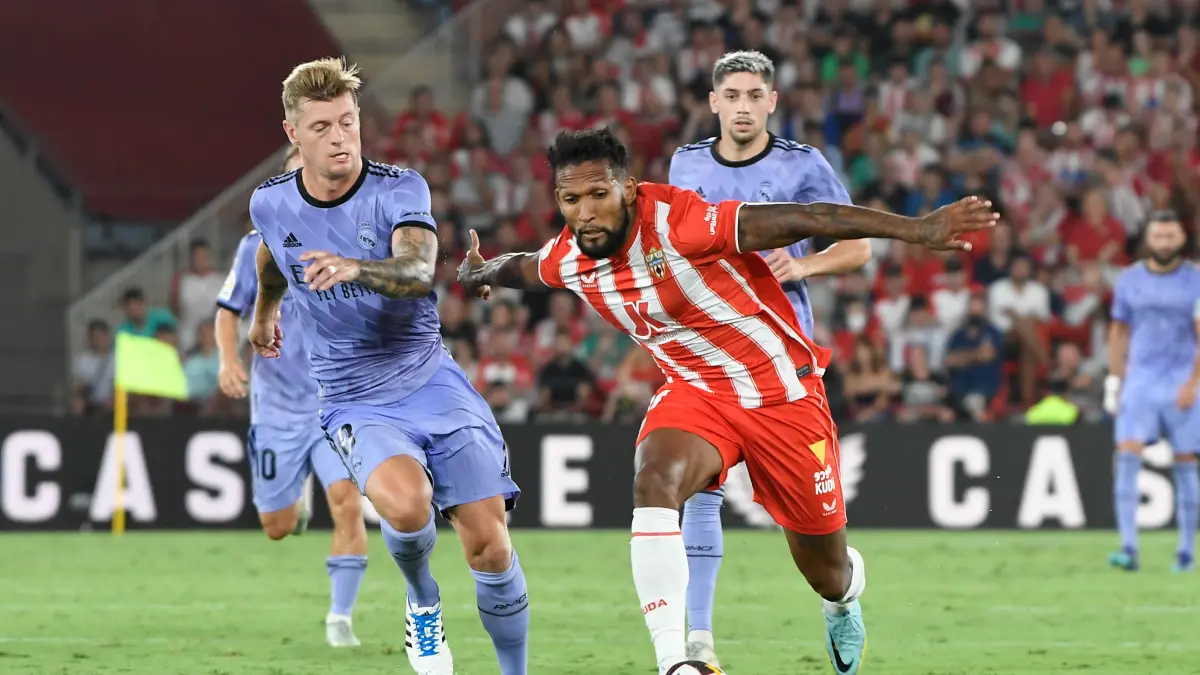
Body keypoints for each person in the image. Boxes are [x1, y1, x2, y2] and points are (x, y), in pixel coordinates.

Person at [457, 127, 997, 675]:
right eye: (572, 199)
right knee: (654, 479)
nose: (586, 212)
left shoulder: (680, 223)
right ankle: (675, 662)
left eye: (599, 194)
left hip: (782, 394)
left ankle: (842, 600)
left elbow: (808, 217)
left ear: (628, 188)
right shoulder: (571, 255)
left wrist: (916, 229)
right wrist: (481, 271)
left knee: (826, 572)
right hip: (697, 393)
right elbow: (523, 268)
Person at [247, 58, 527, 675]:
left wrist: (354, 267)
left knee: (489, 545)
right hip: (352, 394)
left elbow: (419, 270)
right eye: (321, 127)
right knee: (406, 506)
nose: (339, 138)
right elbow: (272, 257)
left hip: (429, 378)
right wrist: (265, 314)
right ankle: (423, 601)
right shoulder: (269, 202)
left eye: (347, 122)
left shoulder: (400, 189)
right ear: (293, 134)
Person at [666, 50, 871, 666]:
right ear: (713, 103)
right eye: (732, 96)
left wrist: (805, 265)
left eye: (755, 96)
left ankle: (841, 599)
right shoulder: (686, 165)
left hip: (782, 364)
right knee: (698, 489)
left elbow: (859, 247)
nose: (743, 107)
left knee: (817, 549)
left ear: (772, 102)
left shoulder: (801, 165)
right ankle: (698, 640)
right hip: (706, 355)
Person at [215, 146, 369, 647]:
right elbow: (228, 311)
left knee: (347, 504)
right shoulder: (255, 246)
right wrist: (228, 360)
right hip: (277, 406)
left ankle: (340, 618)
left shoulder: (352, 241)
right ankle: (293, 506)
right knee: (277, 527)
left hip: (335, 401)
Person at [1104, 211, 1200, 573]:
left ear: (1181, 238)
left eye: (1170, 235)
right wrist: (1116, 381)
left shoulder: (1196, 280)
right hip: (1140, 379)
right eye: (1158, 236)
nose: (1164, 242)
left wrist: (1193, 383)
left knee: (1186, 463)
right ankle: (1128, 547)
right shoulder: (1129, 280)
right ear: (1148, 239)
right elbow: (1118, 332)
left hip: (1182, 379)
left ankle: (1185, 552)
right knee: (1127, 456)